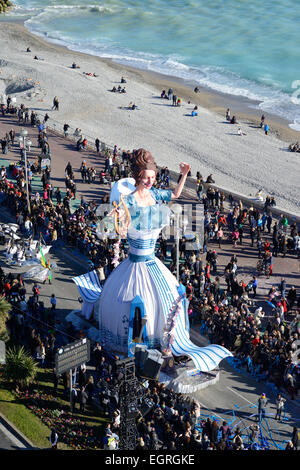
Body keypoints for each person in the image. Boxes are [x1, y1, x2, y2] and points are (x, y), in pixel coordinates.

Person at [97, 148, 231, 367]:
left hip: (152, 260)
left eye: (153, 177)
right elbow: (110, 225)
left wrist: (184, 175)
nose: (150, 181)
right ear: (138, 176)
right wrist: (114, 218)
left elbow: (176, 194)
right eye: (146, 177)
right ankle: (140, 349)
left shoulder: (155, 195)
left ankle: (168, 344)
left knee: (165, 301)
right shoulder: (128, 201)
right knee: (139, 307)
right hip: (135, 261)